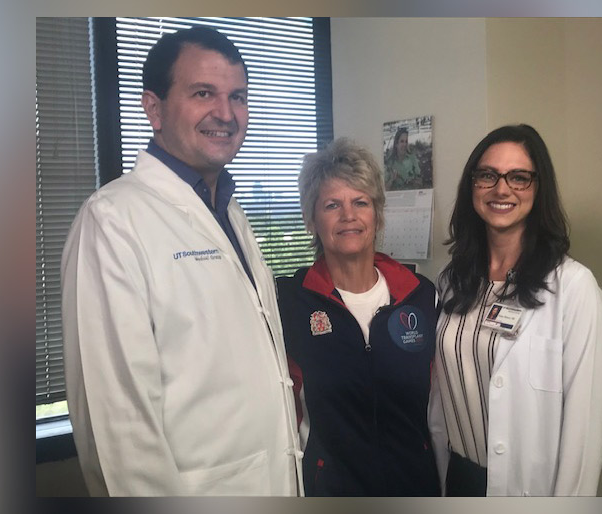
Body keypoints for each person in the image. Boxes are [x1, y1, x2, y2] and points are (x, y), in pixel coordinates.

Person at [60, 26, 301, 496]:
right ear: (154, 108)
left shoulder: (230, 211)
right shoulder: (112, 221)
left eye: (238, 96)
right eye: (203, 93)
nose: (226, 114)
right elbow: (121, 431)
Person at [429, 124, 602, 496]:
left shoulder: (573, 287)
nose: (501, 189)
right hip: (459, 478)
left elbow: (584, 431)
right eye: (488, 175)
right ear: (472, 185)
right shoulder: (452, 282)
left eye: (519, 177)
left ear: (538, 189)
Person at [276, 138, 441, 496]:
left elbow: (438, 410)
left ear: (377, 215)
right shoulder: (288, 303)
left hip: (414, 488)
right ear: (311, 218)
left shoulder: (421, 296)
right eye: (332, 204)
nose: (348, 215)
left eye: (360, 202)